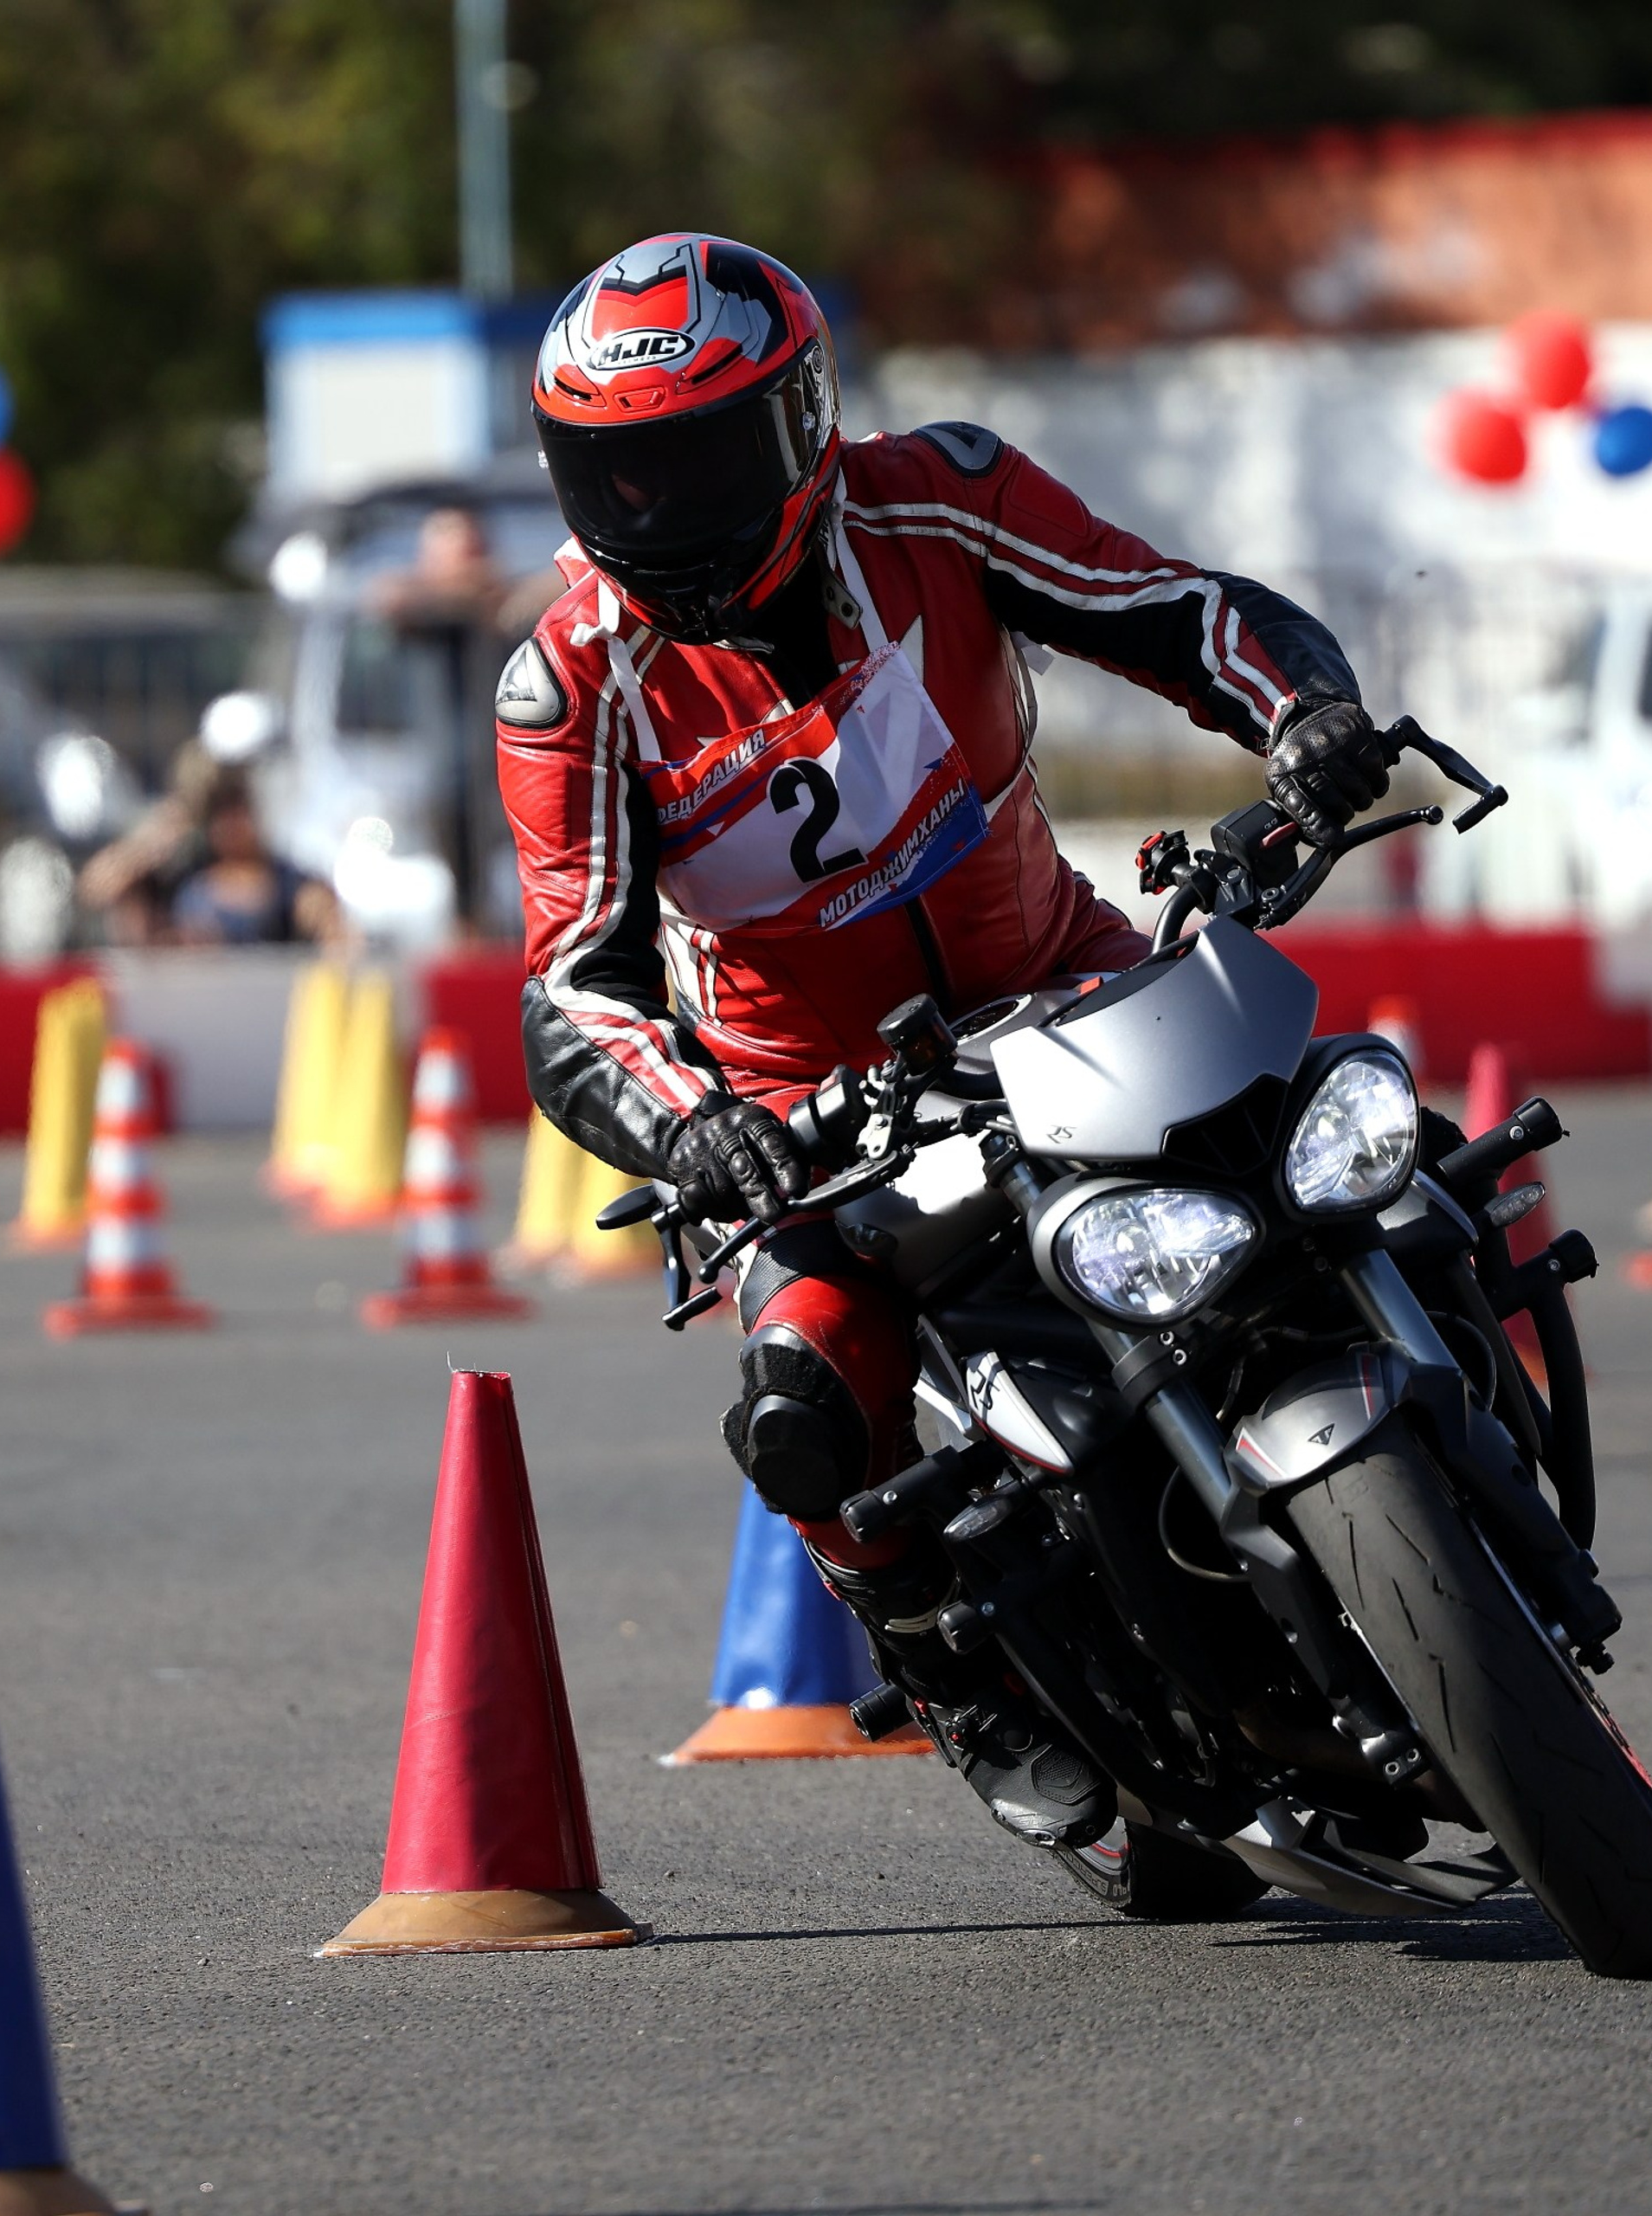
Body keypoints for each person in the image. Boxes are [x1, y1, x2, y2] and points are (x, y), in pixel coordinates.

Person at [498, 235, 1388, 1852]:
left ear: (804, 422)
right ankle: (945, 1664)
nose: (654, 514)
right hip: (809, 1109)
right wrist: (695, 1125)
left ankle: (1445, 1392)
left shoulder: (942, 495)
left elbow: (1173, 611)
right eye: (611, 478)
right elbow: (575, 980)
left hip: (1071, 980)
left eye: (693, 463)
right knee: (800, 1408)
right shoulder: (572, 687)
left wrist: (1304, 718)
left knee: (1356, 1153)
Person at [169, 769, 337, 946]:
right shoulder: (192, 892)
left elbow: (319, 909)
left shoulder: (287, 881)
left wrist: (321, 915)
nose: (232, 826)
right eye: (222, 816)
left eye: (239, 813)